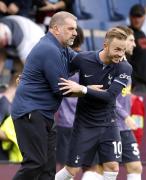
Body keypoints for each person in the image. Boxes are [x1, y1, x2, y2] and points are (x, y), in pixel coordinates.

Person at [55, 27, 132, 180]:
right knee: (71, 170)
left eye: (123, 50)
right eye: (117, 49)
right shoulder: (83, 59)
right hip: (84, 124)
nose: (120, 54)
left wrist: (83, 89)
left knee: (113, 167)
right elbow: (59, 74)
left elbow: (110, 96)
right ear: (105, 45)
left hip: (108, 124)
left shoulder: (124, 67)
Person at [11, 11, 77, 180]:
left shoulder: (62, 49)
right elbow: (61, 88)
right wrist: (87, 90)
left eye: (75, 29)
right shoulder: (49, 49)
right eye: (70, 29)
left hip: (44, 114)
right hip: (31, 112)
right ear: (56, 29)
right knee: (35, 163)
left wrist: (102, 58)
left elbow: (80, 60)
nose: (75, 33)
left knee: (48, 169)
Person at [81, 26, 143, 180]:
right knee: (103, 168)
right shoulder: (110, 65)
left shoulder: (126, 67)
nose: (134, 44)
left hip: (123, 126)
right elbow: (108, 96)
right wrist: (125, 115)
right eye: (131, 40)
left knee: (135, 166)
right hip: (109, 122)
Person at [55, 25, 84, 169]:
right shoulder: (88, 62)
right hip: (83, 123)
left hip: (65, 124)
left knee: (65, 167)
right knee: (91, 168)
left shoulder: (60, 61)